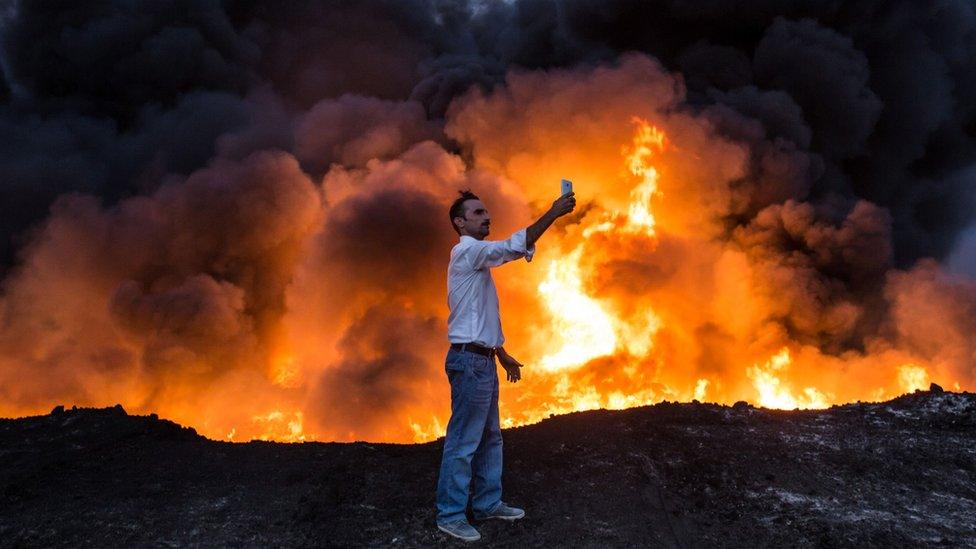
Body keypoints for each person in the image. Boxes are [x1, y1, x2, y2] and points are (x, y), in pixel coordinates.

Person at [436, 188, 577, 541]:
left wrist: (500, 353)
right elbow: (512, 247)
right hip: (469, 362)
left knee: (490, 437)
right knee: (464, 441)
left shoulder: (476, 263)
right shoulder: (467, 252)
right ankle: (450, 515)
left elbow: (479, 315)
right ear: (460, 222)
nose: (487, 217)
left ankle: (487, 504)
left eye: (486, 212)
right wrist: (553, 212)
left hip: (481, 361)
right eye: (478, 213)